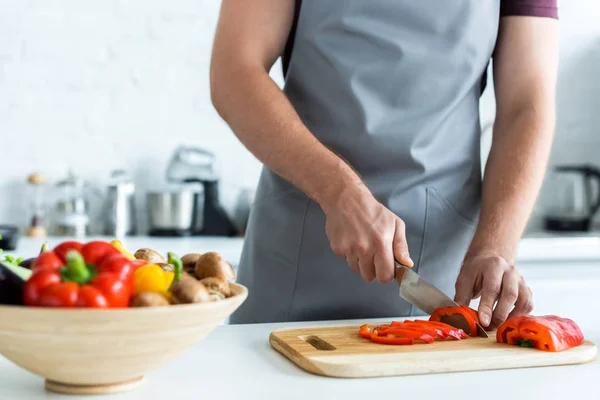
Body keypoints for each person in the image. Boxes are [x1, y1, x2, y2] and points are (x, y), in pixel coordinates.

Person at [210, 0, 559, 329]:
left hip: (442, 277)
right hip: (297, 259)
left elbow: (526, 105)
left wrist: (495, 246)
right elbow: (235, 71)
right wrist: (337, 190)